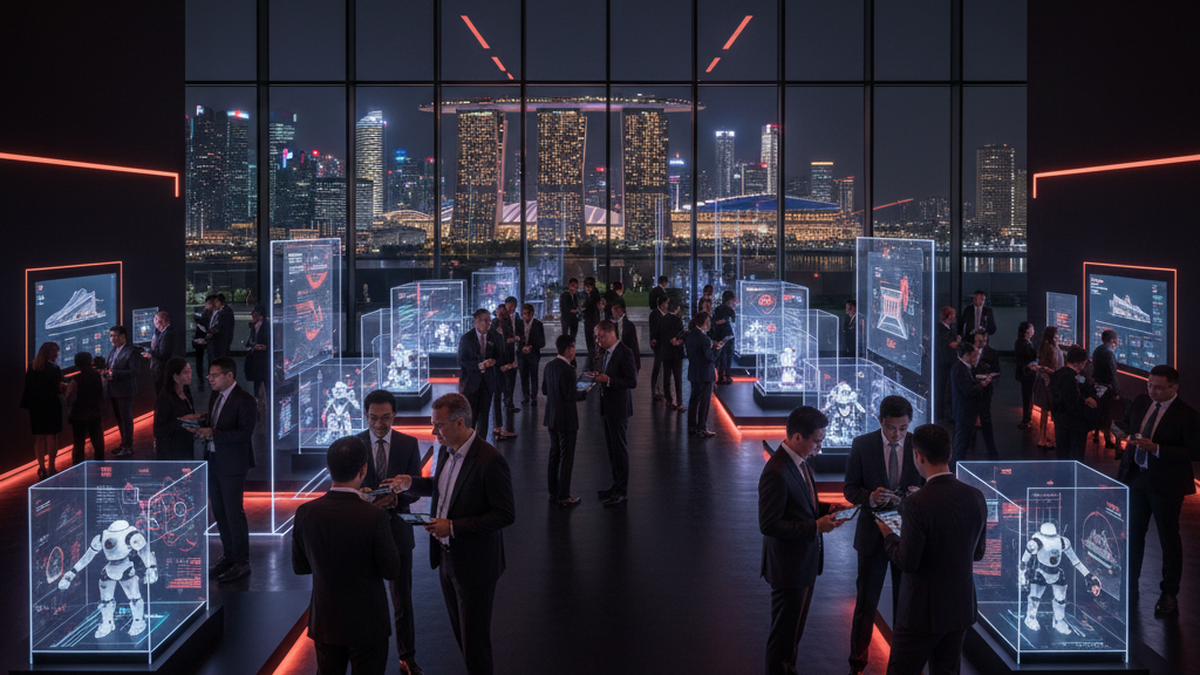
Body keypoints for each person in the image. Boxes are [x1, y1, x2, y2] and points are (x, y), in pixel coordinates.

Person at [387, 393, 515, 675]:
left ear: (459, 423)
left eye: (438, 425)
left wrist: (454, 527)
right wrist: (412, 482)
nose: (433, 431)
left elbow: (505, 514)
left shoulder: (490, 460)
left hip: (476, 565)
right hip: (446, 561)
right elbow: (443, 487)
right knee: (463, 637)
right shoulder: (446, 448)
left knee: (475, 643)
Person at [876, 423, 988, 675]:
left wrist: (889, 535)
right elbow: (978, 553)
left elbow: (907, 561)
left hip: (921, 613)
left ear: (918, 456)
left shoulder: (916, 504)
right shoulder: (976, 495)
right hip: (960, 609)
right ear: (949, 453)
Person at [292, 436, 401, 675]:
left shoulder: (305, 512)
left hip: (326, 622)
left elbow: (300, 567)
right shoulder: (375, 516)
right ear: (364, 469)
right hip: (368, 624)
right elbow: (391, 570)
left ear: (329, 468)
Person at [759, 406, 850, 675]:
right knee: (783, 639)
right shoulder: (776, 471)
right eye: (817, 441)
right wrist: (815, 527)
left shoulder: (798, 461)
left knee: (792, 637)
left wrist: (827, 508)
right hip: (789, 569)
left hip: (803, 565)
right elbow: (768, 524)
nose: (819, 448)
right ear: (798, 437)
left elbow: (802, 503)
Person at [842, 395, 925, 675]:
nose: (898, 435)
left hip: (907, 537)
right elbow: (850, 490)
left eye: (903, 429)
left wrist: (918, 496)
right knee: (866, 603)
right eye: (892, 428)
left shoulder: (918, 445)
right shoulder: (862, 445)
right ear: (880, 421)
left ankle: (899, 664)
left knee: (905, 605)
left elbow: (930, 485)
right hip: (872, 537)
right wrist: (871, 497)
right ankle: (857, 662)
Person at [1117, 365, 1199, 617]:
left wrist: (1157, 449)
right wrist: (1120, 431)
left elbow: (1195, 452)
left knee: (1168, 539)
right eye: (1150, 385)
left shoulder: (1187, 415)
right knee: (1132, 535)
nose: (1152, 391)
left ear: (1175, 387)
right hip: (1137, 479)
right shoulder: (1142, 401)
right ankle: (1128, 584)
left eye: (1159, 387)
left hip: (1166, 485)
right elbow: (1128, 422)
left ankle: (1169, 594)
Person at [357, 389, 426, 675]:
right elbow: (342, 487)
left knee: (402, 600)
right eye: (374, 418)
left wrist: (398, 498)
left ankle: (406, 656)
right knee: (364, 601)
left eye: (386, 418)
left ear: (394, 415)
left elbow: (417, 488)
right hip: (362, 535)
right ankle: (365, 657)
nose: (379, 424)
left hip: (397, 532)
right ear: (366, 416)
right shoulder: (354, 445)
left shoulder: (408, 444)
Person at [189, 356, 257, 584]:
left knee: (233, 513)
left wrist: (212, 433)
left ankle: (241, 561)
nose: (210, 379)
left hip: (233, 465)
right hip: (214, 460)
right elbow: (217, 420)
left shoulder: (245, 400)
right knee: (219, 511)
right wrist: (199, 421)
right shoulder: (216, 396)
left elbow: (244, 433)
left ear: (229, 375)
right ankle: (229, 555)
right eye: (209, 375)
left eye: (215, 375)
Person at [590, 319, 638, 506]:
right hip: (607, 407)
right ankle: (615, 486)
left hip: (618, 409)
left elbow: (631, 381)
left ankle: (622, 491)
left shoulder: (625, 353)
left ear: (611, 334)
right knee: (611, 450)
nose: (597, 340)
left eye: (600, 336)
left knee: (619, 450)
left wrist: (608, 380)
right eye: (596, 337)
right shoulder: (606, 353)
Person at [543, 335, 590, 507]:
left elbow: (545, 390)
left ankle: (553, 491)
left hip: (551, 417)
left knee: (554, 454)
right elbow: (571, 395)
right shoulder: (568, 370)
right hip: (567, 419)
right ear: (569, 349)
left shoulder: (549, 366)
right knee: (566, 457)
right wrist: (585, 390)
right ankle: (564, 495)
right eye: (574, 348)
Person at [22, 341, 66, 478]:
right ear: (50, 353)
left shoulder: (32, 367)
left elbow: (28, 388)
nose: (57, 355)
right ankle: (51, 467)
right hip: (51, 405)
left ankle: (41, 467)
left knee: (39, 438)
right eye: (56, 352)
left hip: (36, 407)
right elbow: (58, 388)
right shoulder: (54, 369)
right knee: (52, 437)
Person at [457, 309, 502, 442]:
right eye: (484, 320)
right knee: (471, 415)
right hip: (471, 382)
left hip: (488, 382)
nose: (487, 323)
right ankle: (467, 443)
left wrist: (493, 361)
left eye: (488, 320)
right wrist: (478, 365)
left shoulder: (496, 336)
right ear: (476, 321)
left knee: (484, 414)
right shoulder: (467, 338)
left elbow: (501, 357)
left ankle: (480, 444)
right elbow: (462, 360)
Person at [949, 341, 995, 469]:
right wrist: (982, 385)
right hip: (965, 412)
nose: (975, 359)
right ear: (967, 355)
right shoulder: (960, 369)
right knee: (961, 444)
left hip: (964, 411)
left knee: (962, 442)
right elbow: (968, 391)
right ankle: (955, 469)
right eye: (973, 356)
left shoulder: (959, 367)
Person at [1050, 345, 1099, 461]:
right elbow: (1072, 403)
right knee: (1075, 457)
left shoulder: (1057, 374)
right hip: (1076, 424)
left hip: (1060, 420)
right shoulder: (1074, 378)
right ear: (1082, 362)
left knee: (1062, 455)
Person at [105, 325, 143, 458]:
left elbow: (134, 372)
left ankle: (128, 446)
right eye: (111, 336)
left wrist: (114, 373)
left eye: (115, 336)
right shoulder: (113, 350)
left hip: (125, 391)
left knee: (126, 419)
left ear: (123, 336)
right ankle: (123, 444)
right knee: (119, 419)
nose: (112, 339)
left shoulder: (132, 351)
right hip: (113, 390)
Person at [153, 357, 199, 461]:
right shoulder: (165, 398)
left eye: (190, 372)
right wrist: (183, 422)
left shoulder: (186, 390)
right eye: (185, 373)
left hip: (186, 444)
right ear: (175, 376)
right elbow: (158, 430)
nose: (189, 375)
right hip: (171, 450)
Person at [65, 352, 105, 465]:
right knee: (98, 441)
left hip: (79, 415)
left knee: (79, 442)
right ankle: (100, 463)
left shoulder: (76, 379)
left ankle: (78, 466)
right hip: (95, 412)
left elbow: (68, 395)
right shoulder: (97, 375)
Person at [686, 312, 720, 439]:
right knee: (704, 403)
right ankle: (701, 428)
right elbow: (710, 358)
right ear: (705, 323)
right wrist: (717, 349)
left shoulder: (690, 335)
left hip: (694, 373)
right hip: (705, 375)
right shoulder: (704, 339)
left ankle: (692, 426)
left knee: (694, 401)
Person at [970, 329, 1001, 459]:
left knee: (986, 419)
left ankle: (992, 451)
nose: (982, 343)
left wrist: (990, 376)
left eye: (984, 340)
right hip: (972, 389)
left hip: (986, 390)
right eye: (979, 341)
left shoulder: (992, 353)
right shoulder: (969, 352)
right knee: (969, 419)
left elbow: (998, 371)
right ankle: (969, 447)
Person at [489, 304, 518, 441]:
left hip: (506, 363)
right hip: (498, 366)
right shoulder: (494, 326)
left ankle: (500, 426)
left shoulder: (507, 324)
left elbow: (509, 342)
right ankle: (498, 427)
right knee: (496, 395)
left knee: (504, 390)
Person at [1032, 326, 1063, 449]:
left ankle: (1043, 438)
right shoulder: (1051, 348)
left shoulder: (1044, 346)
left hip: (1045, 382)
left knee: (1044, 412)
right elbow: (1054, 366)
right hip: (1050, 383)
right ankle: (1047, 439)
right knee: (1053, 412)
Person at [1091, 329, 1121, 453]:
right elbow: (1112, 374)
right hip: (1107, 389)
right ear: (1113, 340)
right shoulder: (1109, 354)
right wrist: (1116, 391)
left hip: (1097, 386)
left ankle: (1097, 434)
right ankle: (1108, 440)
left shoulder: (1097, 350)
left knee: (1099, 411)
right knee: (1107, 415)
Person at [660, 300, 686, 413]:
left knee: (667, 376)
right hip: (676, 353)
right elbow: (681, 334)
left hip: (665, 352)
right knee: (678, 377)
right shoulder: (677, 320)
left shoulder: (663, 319)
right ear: (677, 308)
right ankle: (679, 402)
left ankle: (668, 399)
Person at [517, 303, 546, 407]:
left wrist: (532, 347)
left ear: (532, 314)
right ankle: (526, 396)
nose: (526, 316)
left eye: (528, 314)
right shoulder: (519, 324)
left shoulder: (538, 325)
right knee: (523, 376)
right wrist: (521, 347)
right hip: (521, 354)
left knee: (534, 375)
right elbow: (516, 339)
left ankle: (534, 397)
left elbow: (542, 342)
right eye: (524, 314)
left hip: (533, 354)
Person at [935, 307, 959, 424]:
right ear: (949, 316)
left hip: (941, 365)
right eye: (953, 315)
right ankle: (945, 414)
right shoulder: (944, 332)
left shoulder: (940, 329)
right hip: (945, 365)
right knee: (945, 390)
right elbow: (949, 347)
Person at [144, 310, 177, 395]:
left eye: (155, 319)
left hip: (161, 371)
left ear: (160, 321)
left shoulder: (168, 334)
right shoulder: (162, 333)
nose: (154, 321)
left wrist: (150, 353)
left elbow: (163, 354)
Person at [1014, 321, 1039, 429]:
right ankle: (1026, 418)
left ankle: (1027, 418)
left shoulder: (1020, 342)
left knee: (1027, 395)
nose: (1033, 331)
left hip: (1023, 373)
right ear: (1027, 331)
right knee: (1028, 396)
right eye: (1032, 328)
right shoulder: (1025, 344)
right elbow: (1030, 359)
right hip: (1028, 373)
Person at [244, 305, 270, 403]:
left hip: (264, 358)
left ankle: (265, 398)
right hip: (256, 357)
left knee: (264, 379)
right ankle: (257, 398)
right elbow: (250, 341)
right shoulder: (254, 327)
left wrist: (266, 347)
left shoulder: (265, 326)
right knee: (257, 380)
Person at [712, 290, 737, 385]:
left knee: (720, 357)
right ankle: (727, 376)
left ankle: (720, 376)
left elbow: (714, 322)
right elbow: (734, 321)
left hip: (719, 336)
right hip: (728, 336)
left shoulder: (717, 309)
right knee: (728, 357)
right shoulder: (730, 310)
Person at [611, 299, 641, 373]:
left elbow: (634, 346)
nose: (615, 312)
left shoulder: (629, 326)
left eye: (617, 309)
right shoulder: (610, 325)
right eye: (613, 309)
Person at [649, 293, 668, 401]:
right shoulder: (656, 315)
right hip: (659, 344)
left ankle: (658, 388)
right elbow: (654, 329)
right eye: (666, 303)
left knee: (660, 366)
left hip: (661, 344)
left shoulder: (659, 314)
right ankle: (656, 388)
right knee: (658, 366)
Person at [193, 298, 213, 391]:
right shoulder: (210, 313)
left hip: (202, 338)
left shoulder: (209, 314)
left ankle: (202, 379)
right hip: (203, 338)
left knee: (200, 360)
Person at [582, 277, 602, 368]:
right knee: (592, 341)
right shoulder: (591, 295)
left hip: (591, 321)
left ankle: (593, 358)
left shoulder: (593, 295)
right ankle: (593, 357)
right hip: (591, 320)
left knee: (591, 340)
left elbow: (589, 307)